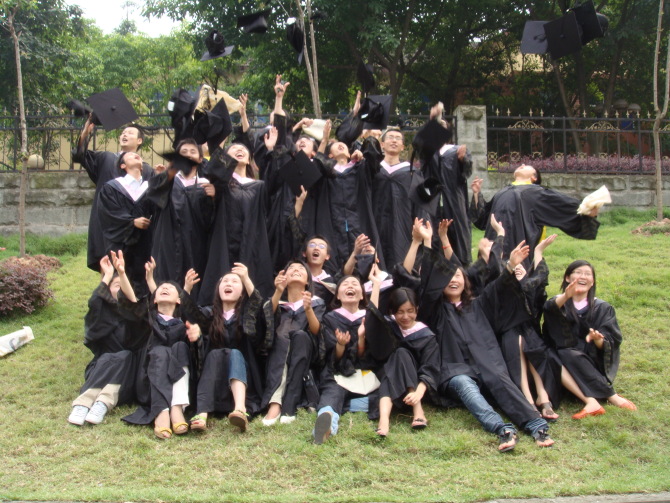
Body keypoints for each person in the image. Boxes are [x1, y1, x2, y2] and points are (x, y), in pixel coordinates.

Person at [415, 219, 554, 451]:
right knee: (464, 383)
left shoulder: (479, 304)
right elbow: (429, 284)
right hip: (455, 369)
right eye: (448, 278)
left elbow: (497, 288)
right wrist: (429, 241)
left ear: (465, 281)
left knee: (500, 379)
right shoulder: (434, 309)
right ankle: (502, 429)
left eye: (458, 276)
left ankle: (535, 425)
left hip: (487, 362)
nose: (454, 280)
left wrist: (510, 266)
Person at [112, 251, 193, 440]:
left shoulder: (184, 324)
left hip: (178, 381)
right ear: (154, 299)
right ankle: (161, 411)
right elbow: (132, 303)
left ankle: (177, 408)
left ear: (179, 300)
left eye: (170, 288)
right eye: (161, 288)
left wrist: (187, 290)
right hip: (148, 381)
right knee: (160, 351)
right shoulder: (148, 320)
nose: (165, 288)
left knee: (181, 348)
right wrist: (122, 274)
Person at [542, 260, 637, 419]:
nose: (583, 276)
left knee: (566, 353)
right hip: (562, 363)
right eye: (578, 272)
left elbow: (612, 341)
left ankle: (606, 397)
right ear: (567, 278)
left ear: (592, 282)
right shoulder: (558, 303)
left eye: (587, 274)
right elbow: (549, 312)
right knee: (556, 353)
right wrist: (566, 296)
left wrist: (598, 340)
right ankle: (605, 397)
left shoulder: (603, 308)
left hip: (591, 361)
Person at [180, 263, 264, 433]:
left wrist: (246, 278)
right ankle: (202, 413)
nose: (228, 284)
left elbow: (257, 306)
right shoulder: (210, 315)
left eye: (234, 281)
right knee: (214, 354)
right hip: (214, 379)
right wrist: (187, 289)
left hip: (242, 379)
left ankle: (240, 409)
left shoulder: (246, 316)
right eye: (225, 281)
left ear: (242, 293)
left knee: (235, 353)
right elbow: (190, 315)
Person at [470, 164, 600, 267]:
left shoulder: (536, 193)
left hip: (517, 251)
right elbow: (482, 219)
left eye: (527, 166)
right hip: (492, 249)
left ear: (534, 177)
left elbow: (563, 205)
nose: (522, 164)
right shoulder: (502, 192)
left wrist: (587, 210)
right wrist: (476, 193)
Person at [198, 136, 273, 303]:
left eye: (244, 149)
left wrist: (270, 150)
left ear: (249, 159)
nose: (240, 150)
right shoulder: (220, 185)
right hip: (223, 243)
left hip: (252, 243)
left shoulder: (260, 186)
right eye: (233, 149)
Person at [72, 118, 152, 272]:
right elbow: (79, 155)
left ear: (139, 140)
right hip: (108, 225)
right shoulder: (106, 158)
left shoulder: (146, 169)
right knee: (108, 269)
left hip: (137, 233)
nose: (124, 135)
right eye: (123, 133)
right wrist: (85, 133)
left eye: (130, 133)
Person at [312, 271, 383, 444]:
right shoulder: (330, 318)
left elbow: (366, 356)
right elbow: (333, 359)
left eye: (354, 284)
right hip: (338, 373)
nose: (350, 286)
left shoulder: (367, 318)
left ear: (362, 295)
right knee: (333, 392)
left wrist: (361, 338)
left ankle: (342, 406)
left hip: (363, 373)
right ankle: (327, 421)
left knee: (384, 398)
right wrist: (341, 345)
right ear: (337, 295)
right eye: (345, 284)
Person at [68, 256, 137, 426]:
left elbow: (135, 304)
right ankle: (85, 404)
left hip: (127, 374)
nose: (121, 289)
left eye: (124, 286)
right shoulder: (101, 317)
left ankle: (100, 403)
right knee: (112, 357)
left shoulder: (135, 318)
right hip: (101, 368)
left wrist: (121, 274)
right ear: (108, 291)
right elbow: (95, 302)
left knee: (127, 356)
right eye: (116, 285)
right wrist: (107, 276)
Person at [368, 286, 440, 438]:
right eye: (400, 312)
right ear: (392, 312)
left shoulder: (426, 335)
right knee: (399, 355)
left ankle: (414, 409)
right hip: (391, 380)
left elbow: (430, 367)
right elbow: (373, 315)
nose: (406, 316)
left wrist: (418, 393)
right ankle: (386, 419)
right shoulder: (389, 327)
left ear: (417, 310)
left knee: (402, 354)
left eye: (410, 311)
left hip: (418, 388)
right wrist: (376, 285)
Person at [261, 261, 326, 425]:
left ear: (308, 280)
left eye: (301, 268)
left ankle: (284, 405)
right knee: (281, 339)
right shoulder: (277, 302)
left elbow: (317, 331)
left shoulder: (317, 302)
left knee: (300, 336)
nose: (296, 269)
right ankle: (276, 404)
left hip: (306, 352)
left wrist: (308, 309)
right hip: (279, 352)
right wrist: (278, 291)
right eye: (291, 268)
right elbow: (266, 321)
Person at [150, 139, 216, 301]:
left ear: (200, 159)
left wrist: (214, 197)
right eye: (183, 152)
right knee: (167, 276)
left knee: (195, 276)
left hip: (196, 242)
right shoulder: (168, 180)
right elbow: (152, 202)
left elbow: (212, 219)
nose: (188, 155)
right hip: (168, 240)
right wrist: (167, 176)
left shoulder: (206, 184)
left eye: (193, 152)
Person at [97, 151, 164, 298]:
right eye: (130, 155)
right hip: (122, 244)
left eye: (137, 154)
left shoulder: (149, 187)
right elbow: (108, 214)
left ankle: (146, 309)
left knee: (146, 277)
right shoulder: (112, 187)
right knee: (120, 278)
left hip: (146, 244)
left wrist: (161, 184)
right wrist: (131, 222)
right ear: (123, 165)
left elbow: (161, 211)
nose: (136, 155)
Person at [421, 104, 474, 265]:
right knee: (433, 235)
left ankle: (461, 268)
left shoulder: (457, 150)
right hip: (433, 201)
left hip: (454, 201)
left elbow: (466, 173)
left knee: (458, 234)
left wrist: (463, 160)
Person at [372, 127, 430, 269]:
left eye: (398, 138)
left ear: (403, 147)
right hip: (376, 223)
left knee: (401, 260)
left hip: (403, 224)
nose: (394, 141)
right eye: (390, 137)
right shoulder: (373, 169)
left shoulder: (413, 173)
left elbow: (421, 204)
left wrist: (421, 226)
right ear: (382, 144)